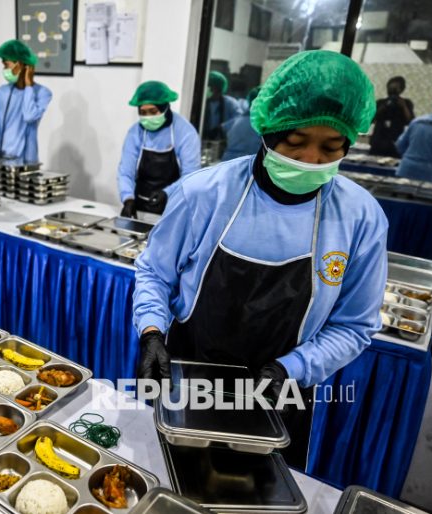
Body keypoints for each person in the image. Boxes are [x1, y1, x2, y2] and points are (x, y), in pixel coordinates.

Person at [133, 50, 388, 470]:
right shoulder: (203, 194)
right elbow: (154, 273)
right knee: (167, 479)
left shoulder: (360, 218)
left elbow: (355, 325)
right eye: (296, 141)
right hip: (186, 377)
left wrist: (293, 368)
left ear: (351, 140)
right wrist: (151, 332)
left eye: (330, 147)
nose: (311, 160)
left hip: (281, 394)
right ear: (268, 130)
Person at [117, 81, 201, 217]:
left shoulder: (185, 132)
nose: (148, 117)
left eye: (153, 111)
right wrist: (128, 199)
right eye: (143, 112)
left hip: (175, 205)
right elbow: (126, 172)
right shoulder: (135, 132)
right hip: (141, 205)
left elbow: (191, 174)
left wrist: (167, 193)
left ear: (165, 108)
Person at [0, 40, 52, 164]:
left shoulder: (43, 93)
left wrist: (29, 86)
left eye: (6, 65)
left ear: (20, 64)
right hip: (5, 160)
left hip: (28, 160)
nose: (4, 69)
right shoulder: (2, 92)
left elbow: (29, 115)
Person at [369, 76, 414, 157]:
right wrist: (383, 106)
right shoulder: (380, 102)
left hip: (395, 142)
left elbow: (411, 122)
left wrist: (404, 107)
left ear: (401, 90)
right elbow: (371, 120)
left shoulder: (406, 103)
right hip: (378, 141)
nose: (392, 91)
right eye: (390, 88)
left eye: (395, 88)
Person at [220, 87, 261, 161]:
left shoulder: (237, 121)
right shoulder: (262, 125)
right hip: (246, 166)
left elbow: (221, 129)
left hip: (228, 163)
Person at [202, 71, 242, 140]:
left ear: (217, 89)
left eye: (209, 86)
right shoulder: (202, 103)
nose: (207, 89)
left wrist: (222, 128)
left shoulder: (230, 103)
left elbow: (239, 120)